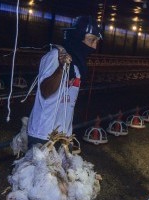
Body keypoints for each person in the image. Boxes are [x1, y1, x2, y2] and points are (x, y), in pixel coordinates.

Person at [27, 15, 102, 148]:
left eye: (96, 41)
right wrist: (61, 69)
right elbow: (45, 91)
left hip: (64, 135)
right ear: (78, 38)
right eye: (91, 40)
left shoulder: (77, 65)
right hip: (44, 134)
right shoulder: (54, 57)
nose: (94, 46)